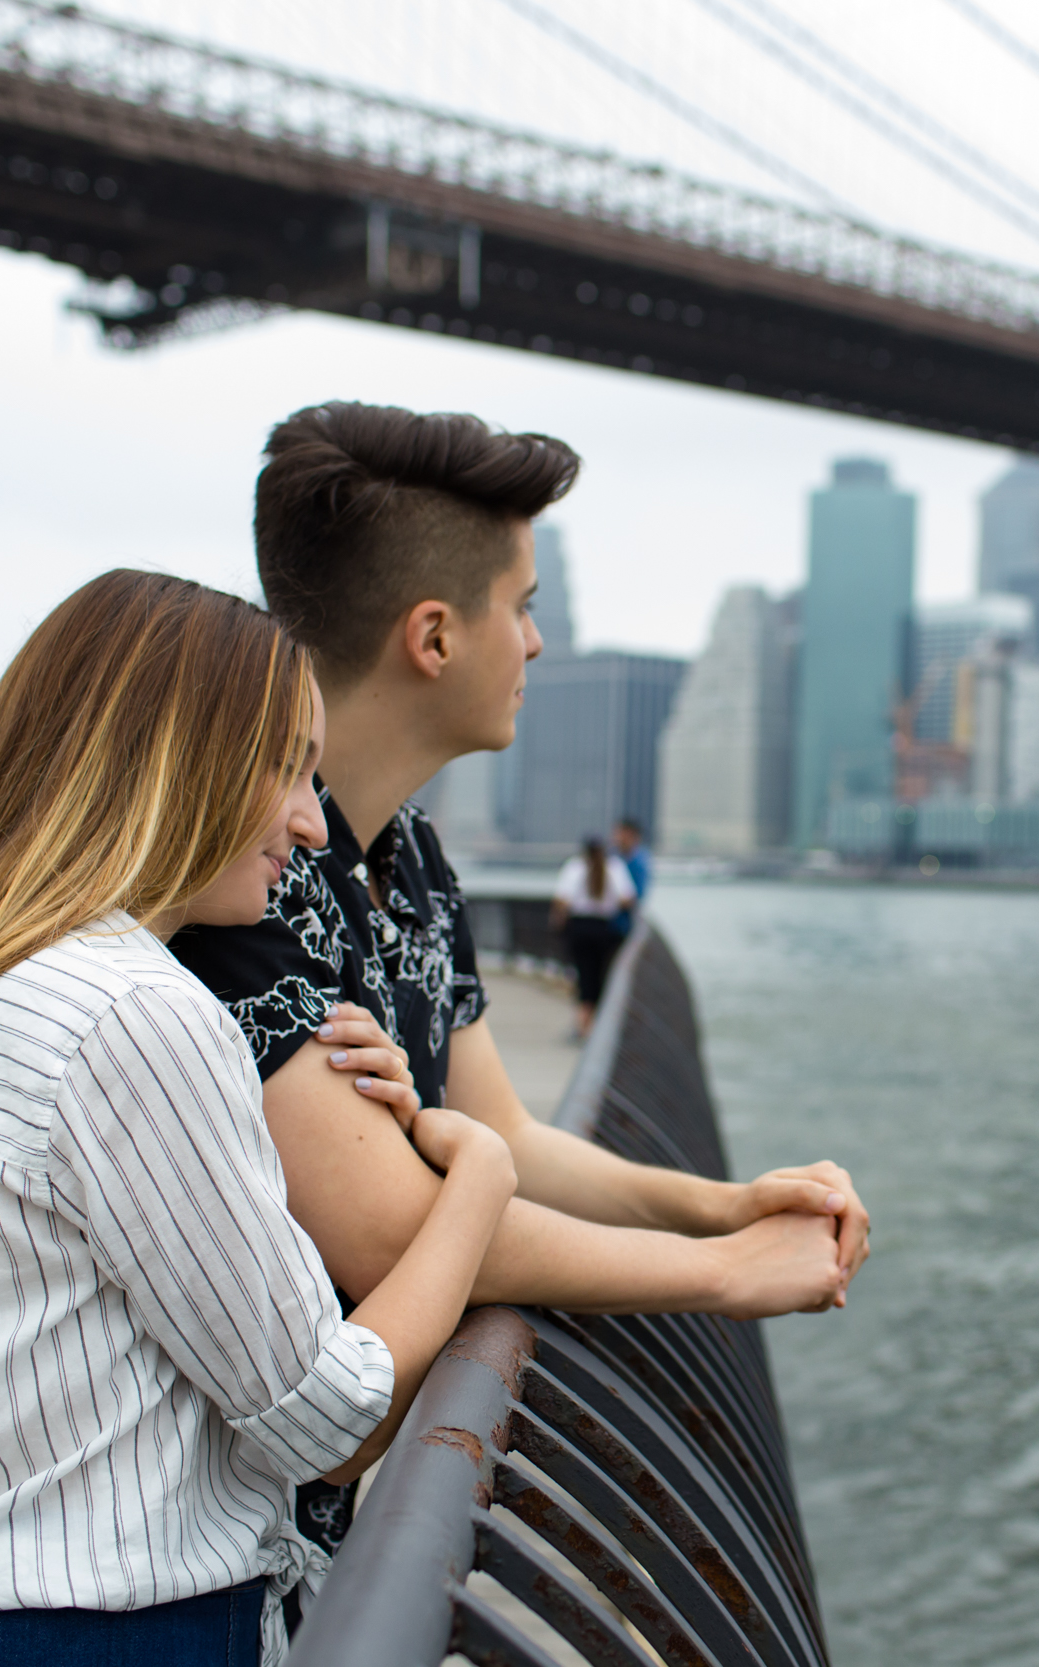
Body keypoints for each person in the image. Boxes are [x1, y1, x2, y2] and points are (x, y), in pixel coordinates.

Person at [170, 403, 872, 1571]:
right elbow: (400, 1224)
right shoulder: (244, 875)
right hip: (180, 1549)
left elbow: (503, 1133)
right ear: (434, 636)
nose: (537, 644)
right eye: (525, 605)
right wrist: (718, 1275)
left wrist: (718, 1201)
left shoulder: (414, 860)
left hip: (290, 1540)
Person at [0, 571, 516, 1665]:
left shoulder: (17, 985)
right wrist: (476, 1179)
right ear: (173, 763)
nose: (309, 820)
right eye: (287, 765)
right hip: (115, 1635)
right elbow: (326, 1417)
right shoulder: (137, 1012)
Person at [550, 833, 636, 1037]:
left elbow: (562, 900)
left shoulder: (575, 867)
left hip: (579, 928)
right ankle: (596, 1024)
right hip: (604, 929)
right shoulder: (615, 866)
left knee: (584, 974)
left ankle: (583, 1024)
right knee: (602, 976)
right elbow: (627, 898)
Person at [610, 816, 651, 932]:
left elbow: (635, 897)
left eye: (621, 834)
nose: (617, 838)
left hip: (624, 923)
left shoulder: (639, 863)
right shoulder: (613, 856)